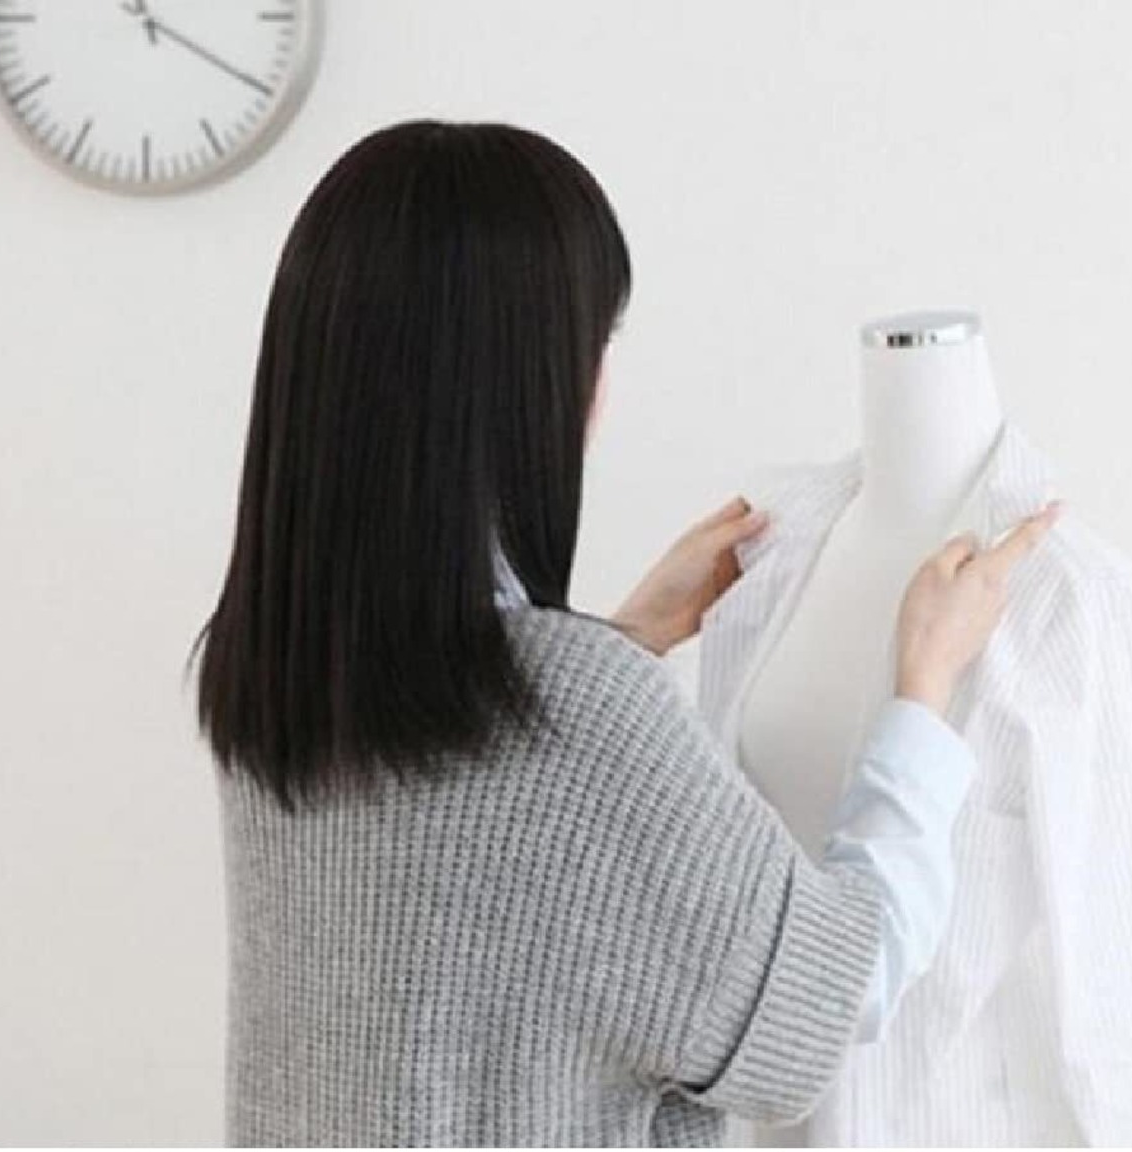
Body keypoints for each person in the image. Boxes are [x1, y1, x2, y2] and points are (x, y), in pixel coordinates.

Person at [186, 120, 1060, 1148]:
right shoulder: (576, 709)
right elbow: (824, 1007)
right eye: (595, 338)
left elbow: (465, 892)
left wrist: (623, 640)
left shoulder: (273, 668)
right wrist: (922, 692)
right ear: (539, 381)